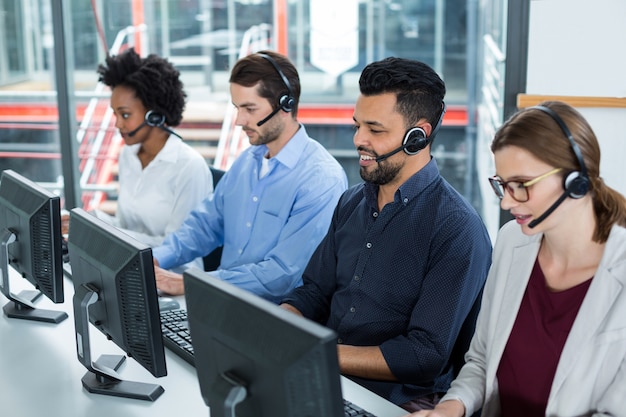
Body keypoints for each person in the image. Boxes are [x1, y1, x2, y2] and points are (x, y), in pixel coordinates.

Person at [279, 57, 492, 411]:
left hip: (392, 400)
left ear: (417, 136)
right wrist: (280, 326)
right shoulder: (351, 202)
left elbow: (423, 355)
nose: (359, 139)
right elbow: (314, 291)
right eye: (357, 125)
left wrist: (317, 354)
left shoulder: (456, 229)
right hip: (325, 378)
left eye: (375, 131)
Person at [407, 101, 626, 417]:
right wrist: (449, 409)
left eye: (521, 186)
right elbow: (482, 361)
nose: (507, 202)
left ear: (575, 182)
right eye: (502, 185)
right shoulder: (513, 242)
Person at [152, 50, 348, 302]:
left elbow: (281, 276)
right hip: (222, 304)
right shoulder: (247, 161)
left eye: (249, 109)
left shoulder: (321, 179)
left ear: (285, 105)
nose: (238, 120)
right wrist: (155, 259)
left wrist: (190, 283)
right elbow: (205, 226)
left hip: (273, 320)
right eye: (236, 108)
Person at [87, 48, 212, 270]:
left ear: (154, 114)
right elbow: (128, 227)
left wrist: (108, 232)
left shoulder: (189, 167)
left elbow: (176, 248)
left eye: (125, 115)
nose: (117, 124)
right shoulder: (129, 155)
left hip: (175, 280)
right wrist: (92, 221)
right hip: (131, 269)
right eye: (115, 114)